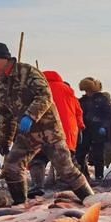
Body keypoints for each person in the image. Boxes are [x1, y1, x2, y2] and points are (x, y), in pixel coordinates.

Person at [0, 42, 93, 204]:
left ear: (4, 58)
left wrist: (30, 116)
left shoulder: (28, 71)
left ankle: (91, 200)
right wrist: (4, 141)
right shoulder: (2, 82)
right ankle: (20, 206)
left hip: (49, 129)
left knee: (66, 170)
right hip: (27, 134)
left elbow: (45, 95)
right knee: (11, 168)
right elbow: (6, 114)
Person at [27, 70, 84, 198]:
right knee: (66, 159)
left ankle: (37, 185)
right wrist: (80, 127)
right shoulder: (68, 90)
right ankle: (76, 186)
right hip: (66, 130)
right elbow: (78, 111)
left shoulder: (38, 89)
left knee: (38, 158)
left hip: (43, 130)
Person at [77, 77, 111, 182]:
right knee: (81, 153)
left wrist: (104, 126)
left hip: (98, 131)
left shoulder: (102, 100)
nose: (87, 93)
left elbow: (108, 115)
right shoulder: (82, 101)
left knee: (98, 155)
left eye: (88, 90)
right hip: (85, 131)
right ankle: (83, 175)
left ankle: (99, 176)